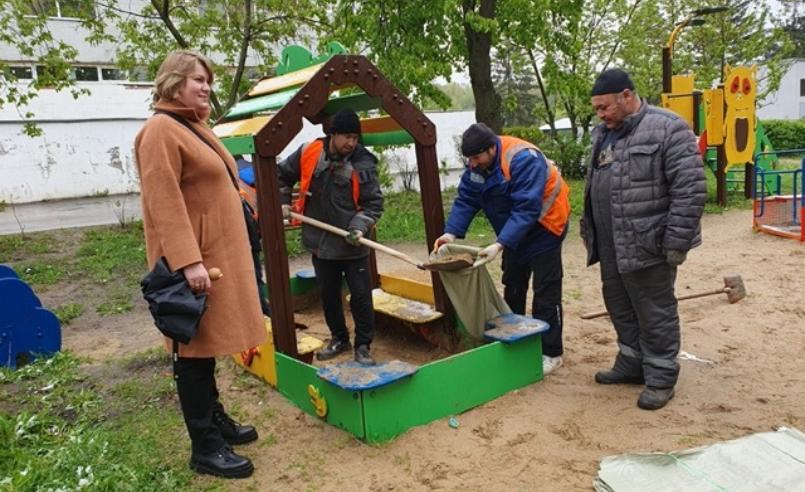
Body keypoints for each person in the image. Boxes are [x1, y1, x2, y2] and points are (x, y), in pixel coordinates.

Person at [134, 50, 266, 478]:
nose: (206, 85)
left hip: (214, 258)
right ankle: (205, 446)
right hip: (195, 263)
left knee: (204, 346)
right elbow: (164, 200)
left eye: (208, 79)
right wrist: (188, 261)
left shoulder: (193, 126)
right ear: (173, 82)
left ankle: (216, 421)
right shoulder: (160, 130)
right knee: (190, 350)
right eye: (197, 79)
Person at [581, 68, 706, 410]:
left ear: (627, 95)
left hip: (649, 243)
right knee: (619, 306)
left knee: (655, 311)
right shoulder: (604, 135)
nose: (601, 114)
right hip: (610, 244)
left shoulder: (669, 128)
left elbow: (690, 189)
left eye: (605, 107)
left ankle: (662, 377)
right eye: (597, 109)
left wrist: (677, 242)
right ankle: (632, 362)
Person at [434, 122, 571, 376]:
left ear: (491, 149)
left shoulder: (522, 159)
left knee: (546, 291)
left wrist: (499, 244)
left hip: (546, 226)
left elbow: (527, 209)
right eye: (469, 159)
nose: (472, 164)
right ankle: (515, 341)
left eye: (476, 158)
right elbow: (467, 198)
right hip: (515, 230)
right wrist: (450, 232)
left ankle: (551, 352)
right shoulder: (478, 165)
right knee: (514, 283)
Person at [277, 108, 384, 365]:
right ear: (332, 134)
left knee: (360, 296)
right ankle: (339, 338)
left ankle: (363, 345)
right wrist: (283, 201)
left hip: (353, 244)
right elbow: (281, 175)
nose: (351, 143)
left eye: (355, 138)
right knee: (328, 294)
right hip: (320, 242)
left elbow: (374, 205)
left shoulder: (364, 163)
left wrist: (359, 227)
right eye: (346, 137)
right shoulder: (308, 152)